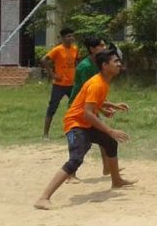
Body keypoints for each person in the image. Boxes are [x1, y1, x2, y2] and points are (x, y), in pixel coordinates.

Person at [34, 50, 134, 210]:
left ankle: (116, 181)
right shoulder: (97, 83)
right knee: (75, 159)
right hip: (76, 124)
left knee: (110, 143)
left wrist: (111, 106)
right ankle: (43, 198)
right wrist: (110, 130)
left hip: (85, 123)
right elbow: (87, 114)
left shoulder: (103, 81)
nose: (119, 64)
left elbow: (93, 103)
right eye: (115, 61)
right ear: (104, 65)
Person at [69, 36, 110, 176]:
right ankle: (71, 174)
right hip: (79, 108)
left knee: (105, 137)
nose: (104, 48)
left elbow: (94, 96)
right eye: (101, 45)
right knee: (81, 142)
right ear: (92, 49)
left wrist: (103, 108)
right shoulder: (85, 67)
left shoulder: (98, 64)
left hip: (89, 106)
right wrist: (103, 110)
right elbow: (89, 94)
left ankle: (107, 168)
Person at [41, 28, 79, 139]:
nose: (71, 38)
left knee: (75, 107)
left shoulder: (75, 49)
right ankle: (45, 134)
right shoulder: (58, 50)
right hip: (59, 85)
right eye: (68, 36)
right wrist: (52, 74)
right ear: (62, 38)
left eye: (72, 36)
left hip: (72, 84)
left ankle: (74, 131)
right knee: (52, 107)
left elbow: (77, 62)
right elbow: (44, 60)